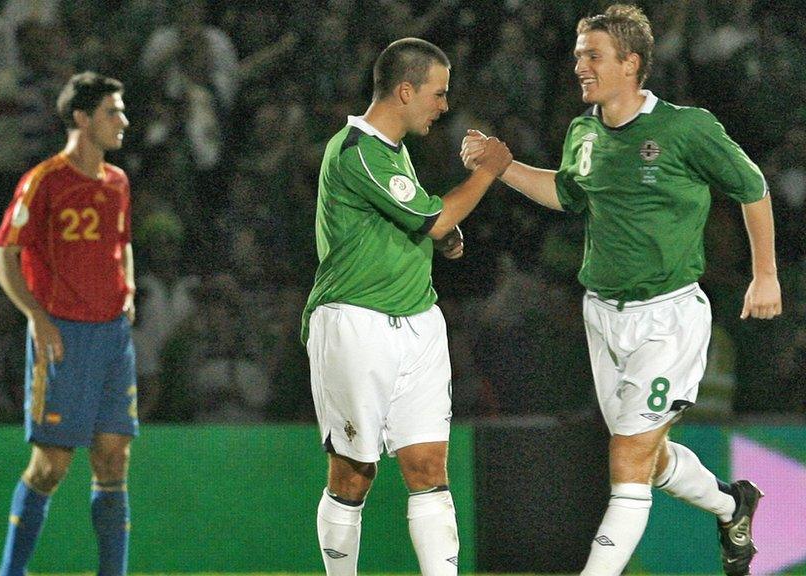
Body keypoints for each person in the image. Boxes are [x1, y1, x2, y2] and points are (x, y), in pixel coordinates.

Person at [462, 5, 781, 576]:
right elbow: (567, 194)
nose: (579, 65)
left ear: (630, 64)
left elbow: (752, 187)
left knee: (627, 457)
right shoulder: (583, 132)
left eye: (592, 55)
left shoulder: (687, 128)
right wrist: (504, 166)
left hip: (668, 318)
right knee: (649, 459)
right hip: (602, 317)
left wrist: (765, 274)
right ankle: (733, 504)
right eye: (578, 54)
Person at [302, 37, 512, 575]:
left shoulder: (395, 153)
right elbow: (433, 216)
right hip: (355, 321)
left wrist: (437, 238)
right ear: (404, 91)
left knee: (427, 466)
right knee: (353, 472)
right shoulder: (357, 150)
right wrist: (490, 169)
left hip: (418, 321)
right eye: (437, 94)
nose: (443, 106)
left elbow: (417, 219)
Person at [0, 71, 137, 576]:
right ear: (81, 118)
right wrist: (36, 316)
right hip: (64, 337)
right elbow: (1, 255)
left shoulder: (117, 182)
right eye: (112, 111)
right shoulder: (45, 179)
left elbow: (123, 242)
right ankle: (11, 572)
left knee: (113, 460)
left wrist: (129, 288)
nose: (123, 121)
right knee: (52, 466)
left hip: (113, 335)